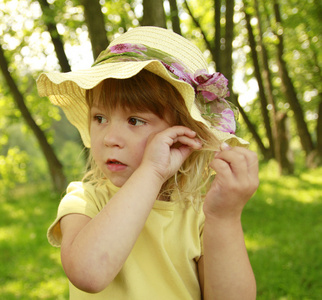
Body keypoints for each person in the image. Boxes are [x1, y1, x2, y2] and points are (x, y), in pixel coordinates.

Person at [37, 26, 258, 299]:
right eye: (100, 118)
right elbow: (89, 273)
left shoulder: (200, 216)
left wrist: (225, 218)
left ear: (182, 134)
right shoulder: (84, 201)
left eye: (134, 121)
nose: (110, 138)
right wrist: (151, 172)